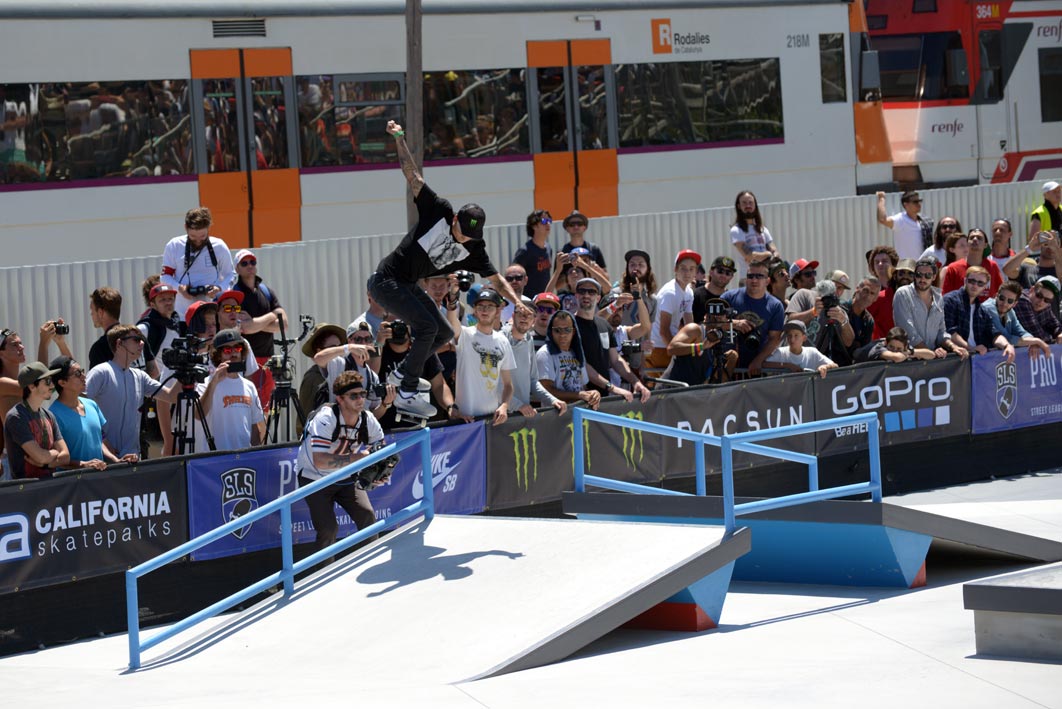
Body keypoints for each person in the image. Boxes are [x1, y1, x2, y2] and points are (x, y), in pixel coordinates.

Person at [368, 120, 527, 419]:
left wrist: (517, 302)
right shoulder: (438, 209)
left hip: (408, 284)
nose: (463, 239)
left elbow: (496, 279)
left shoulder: (474, 249)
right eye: (461, 232)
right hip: (386, 280)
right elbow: (412, 176)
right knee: (427, 328)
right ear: (454, 219)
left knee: (442, 332)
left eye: (469, 237)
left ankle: (404, 374)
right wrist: (399, 138)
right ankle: (408, 388)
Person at [295, 371, 384, 552]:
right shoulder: (326, 418)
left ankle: (372, 563)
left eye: (362, 394)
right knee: (328, 530)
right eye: (353, 396)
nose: (360, 399)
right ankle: (324, 569)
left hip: (345, 476)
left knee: (367, 516)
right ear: (340, 399)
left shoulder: (368, 419)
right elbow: (320, 461)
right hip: (315, 478)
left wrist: (380, 473)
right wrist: (359, 458)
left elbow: (381, 449)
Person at [84, 325, 180, 459]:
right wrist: (101, 439)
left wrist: (184, 371)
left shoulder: (140, 376)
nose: (142, 343)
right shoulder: (100, 372)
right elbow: (79, 405)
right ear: (119, 344)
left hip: (132, 459)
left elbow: (172, 396)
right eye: (136, 339)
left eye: (142, 339)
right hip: (103, 459)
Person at [445, 288, 515, 425]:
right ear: (475, 310)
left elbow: (508, 385)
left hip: (492, 420)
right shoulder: (465, 335)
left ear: (497, 311)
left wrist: (504, 405)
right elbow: (452, 320)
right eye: (480, 306)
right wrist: (453, 297)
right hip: (466, 419)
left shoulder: (503, 341)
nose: (485, 310)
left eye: (489, 306)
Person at [571, 278, 647, 402]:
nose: (586, 295)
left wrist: (636, 382)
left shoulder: (604, 325)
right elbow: (581, 365)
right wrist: (612, 388)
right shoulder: (569, 325)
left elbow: (615, 360)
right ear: (576, 295)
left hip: (603, 398)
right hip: (579, 399)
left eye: (591, 292)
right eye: (582, 291)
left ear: (598, 298)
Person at [49, 356, 130, 471]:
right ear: (62, 382)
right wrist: (83, 464)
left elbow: (99, 440)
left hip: (97, 478)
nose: (84, 376)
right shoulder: (52, 415)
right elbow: (54, 460)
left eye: (82, 371)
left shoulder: (92, 404)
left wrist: (116, 460)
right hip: (71, 481)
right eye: (77, 374)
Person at [232, 248, 287, 413]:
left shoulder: (266, 291)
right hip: (248, 361)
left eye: (252, 262)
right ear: (237, 269)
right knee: (249, 407)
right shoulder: (236, 295)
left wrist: (255, 322)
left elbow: (284, 324)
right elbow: (245, 328)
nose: (249, 265)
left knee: (265, 408)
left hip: (268, 360)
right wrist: (272, 315)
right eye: (244, 263)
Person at [196, 329, 266, 451]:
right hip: (216, 456)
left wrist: (257, 455)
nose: (234, 353)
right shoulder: (206, 383)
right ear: (218, 355)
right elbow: (198, 415)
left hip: (243, 456)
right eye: (227, 350)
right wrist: (214, 382)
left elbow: (255, 428)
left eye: (237, 348)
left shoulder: (249, 386)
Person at [160, 206, 236, 317]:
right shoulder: (174, 245)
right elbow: (165, 276)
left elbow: (231, 275)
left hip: (213, 314)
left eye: (203, 236)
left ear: (208, 228)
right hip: (183, 315)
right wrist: (179, 288)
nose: (198, 241)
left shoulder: (219, 246)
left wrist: (219, 288)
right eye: (193, 236)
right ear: (185, 228)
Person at [891, 258, 968, 359]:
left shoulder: (938, 297)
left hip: (932, 360)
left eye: (927, 275)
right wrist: (930, 354)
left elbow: (941, 332)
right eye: (919, 275)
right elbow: (909, 332)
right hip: (909, 359)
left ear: (934, 277)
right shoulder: (903, 293)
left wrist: (953, 347)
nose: (923, 279)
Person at [4, 362, 68, 479]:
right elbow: (40, 457)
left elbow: (65, 457)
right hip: (25, 488)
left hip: (51, 486)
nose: (52, 385)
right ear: (32, 386)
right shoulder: (16, 417)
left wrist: (46, 464)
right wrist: (54, 453)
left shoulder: (49, 415)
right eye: (47, 381)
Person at [504, 295, 565, 417]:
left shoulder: (529, 340)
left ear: (533, 321)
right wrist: (518, 405)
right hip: (500, 414)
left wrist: (552, 400)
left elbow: (533, 380)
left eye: (529, 315)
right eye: (521, 313)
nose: (524, 317)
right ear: (513, 316)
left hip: (522, 414)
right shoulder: (500, 339)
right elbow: (493, 385)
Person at [720, 260, 785, 375]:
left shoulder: (775, 306)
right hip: (726, 365)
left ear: (767, 281)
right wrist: (734, 324)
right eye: (750, 276)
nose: (754, 280)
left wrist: (758, 361)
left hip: (756, 368)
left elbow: (774, 338)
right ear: (746, 279)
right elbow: (712, 323)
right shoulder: (729, 298)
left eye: (759, 276)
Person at [942, 266, 1014, 361]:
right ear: (965, 280)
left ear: (985, 286)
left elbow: (994, 333)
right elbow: (949, 331)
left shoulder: (982, 310)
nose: (975, 285)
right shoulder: (950, 300)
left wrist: (1007, 345)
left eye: (980, 283)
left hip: (976, 360)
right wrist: (971, 348)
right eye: (972, 281)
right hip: (955, 359)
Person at [536, 310, 602, 411]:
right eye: (557, 330)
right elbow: (545, 391)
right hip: (555, 416)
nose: (562, 334)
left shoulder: (577, 353)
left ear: (573, 331)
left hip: (577, 413)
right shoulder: (545, 353)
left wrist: (593, 394)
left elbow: (583, 387)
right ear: (551, 332)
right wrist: (578, 395)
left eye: (567, 330)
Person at [645, 249, 699, 371]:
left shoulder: (689, 292)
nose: (687, 273)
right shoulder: (670, 293)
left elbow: (689, 325)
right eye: (683, 268)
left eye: (691, 269)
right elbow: (663, 331)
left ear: (696, 272)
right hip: (659, 348)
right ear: (675, 269)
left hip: (671, 344)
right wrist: (677, 352)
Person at [665, 299, 737, 385]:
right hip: (672, 388)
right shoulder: (695, 329)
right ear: (705, 316)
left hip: (692, 390)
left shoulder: (717, 340)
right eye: (712, 314)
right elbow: (671, 349)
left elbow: (721, 380)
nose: (717, 317)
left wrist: (732, 360)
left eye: (721, 314)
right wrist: (701, 346)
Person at [982, 281, 1052, 358]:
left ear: (1015, 304)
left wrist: (1032, 341)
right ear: (996, 296)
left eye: (1010, 301)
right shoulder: (988, 308)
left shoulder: (1010, 311)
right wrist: (1036, 341)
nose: (1005, 303)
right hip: (982, 357)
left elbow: (1021, 332)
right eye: (1002, 298)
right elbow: (1006, 337)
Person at [298, 323, 347, 429]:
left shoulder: (344, 371)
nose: (338, 352)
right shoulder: (312, 378)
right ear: (319, 352)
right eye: (332, 348)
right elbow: (305, 419)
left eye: (340, 347)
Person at [729, 190, 778, 281]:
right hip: (748, 280)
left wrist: (771, 254)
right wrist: (768, 254)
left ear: (755, 205)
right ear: (739, 206)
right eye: (744, 203)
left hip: (765, 279)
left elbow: (775, 252)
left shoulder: (763, 229)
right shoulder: (736, 230)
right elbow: (748, 256)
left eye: (750, 202)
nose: (748, 205)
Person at [764, 321, 837, 378]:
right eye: (789, 335)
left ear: (804, 338)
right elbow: (763, 364)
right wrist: (787, 366)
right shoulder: (780, 352)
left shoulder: (812, 352)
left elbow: (835, 365)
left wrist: (824, 367)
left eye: (796, 335)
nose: (792, 339)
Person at [941, 229, 1003, 296]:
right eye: (971, 238)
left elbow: (1001, 292)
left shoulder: (992, 266)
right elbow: (946, 296)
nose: (975, 239)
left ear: (985, 245)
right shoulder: (954, 268)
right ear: (967, 243)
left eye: (979, 238)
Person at [876, 190, 933, 260]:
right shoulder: (901, 220)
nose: (919, 204)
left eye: (919, 201)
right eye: (915, 202)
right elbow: (882, 219)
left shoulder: (923, 221)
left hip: (922, 264)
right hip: (905, 265)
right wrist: (881, 198)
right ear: (906, 205)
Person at [512, 209, 555, 297]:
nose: (548, 224)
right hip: (529, 300)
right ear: (534, 226)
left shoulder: (549, 248)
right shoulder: (525, 251)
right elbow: (513, 277)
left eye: (549, 220)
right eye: (544, 221)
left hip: (543, 299)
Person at [869, 258, 914, 339]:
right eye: (901, 273)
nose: (905, 277)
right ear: (895, 276)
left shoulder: (919, 301)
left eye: (910, 274)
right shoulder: (880, 298)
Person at [1013, 276, 1062, 344]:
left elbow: (1055, 325)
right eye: (1039, 295)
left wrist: (1060, 333)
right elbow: (1038, 335)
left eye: (1047, 300)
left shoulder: (1046, 305)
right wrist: (1054, 339)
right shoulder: (1021, 301)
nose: (1041, 302)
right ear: (1032, 290)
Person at [855, 326, 939, 363]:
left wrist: (910, 351)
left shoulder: (906, 349)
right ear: (886, 343)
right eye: (891, 347)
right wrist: (907, 353)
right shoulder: (878, 348)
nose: (894, 351)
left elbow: (931, 355)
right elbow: (897, 357)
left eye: (898, 349)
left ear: (905, 346)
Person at [693, 256, 736, 324]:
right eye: (720, 271)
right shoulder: (695, 295)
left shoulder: (732, 299)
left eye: (728, 273)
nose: (723, 275)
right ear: (711, 272)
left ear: (732, 277)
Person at [88, 286, 123, 369]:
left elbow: (96, 377)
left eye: (92, 310)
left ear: (100, 312)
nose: (91, 314)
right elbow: (152, 370)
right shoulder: (137, 337)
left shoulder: (100, 348)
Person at [1029, 180, 1061, 244]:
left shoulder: (1061, 209)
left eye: (1059, 191)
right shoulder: (1039, 213)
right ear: (1045, 195)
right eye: (1054, 192)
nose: (1058, 194)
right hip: (1047, 249)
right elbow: (1032, 240)